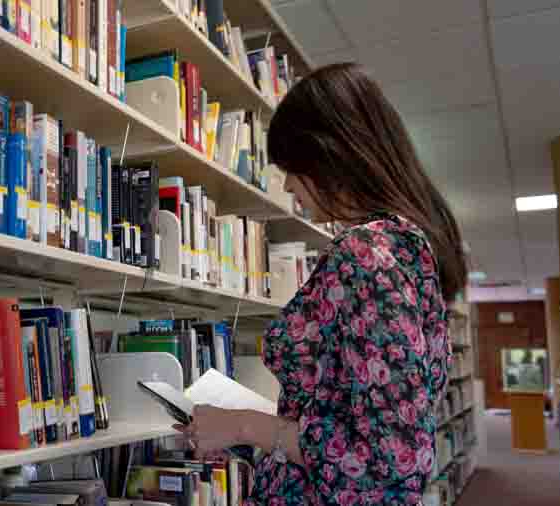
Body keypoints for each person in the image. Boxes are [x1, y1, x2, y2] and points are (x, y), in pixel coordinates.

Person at [176, 63, 466, 505]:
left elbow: (390, 457)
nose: (289, 183)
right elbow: (353, 415)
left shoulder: (365, 255)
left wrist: (246, 426)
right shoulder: (406, 247)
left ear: (329, 155)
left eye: (293, 166)